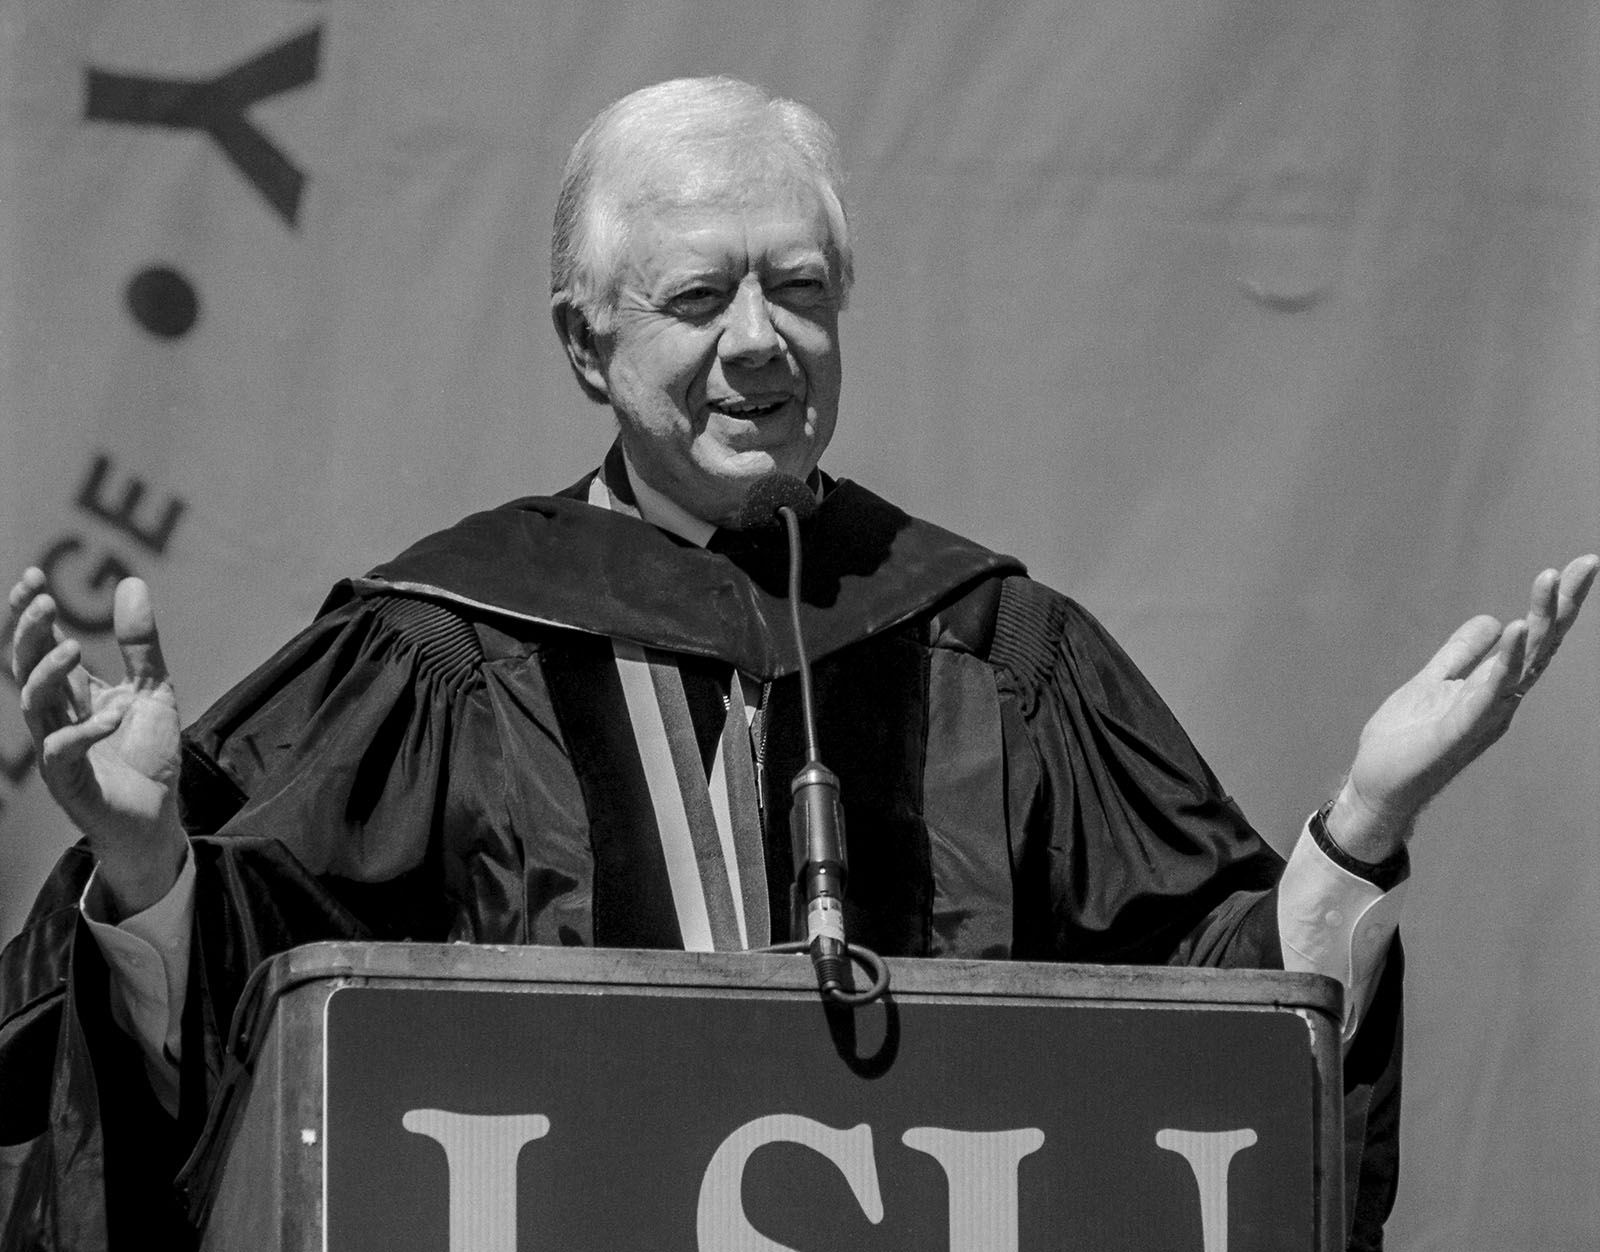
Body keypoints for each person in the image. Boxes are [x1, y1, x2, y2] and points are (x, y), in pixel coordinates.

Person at [1, 76, 1593, 1251]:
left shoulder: (995, 650)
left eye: (801, 289)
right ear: (585, 342)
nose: (760, 341)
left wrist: (1360, 828)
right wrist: (148, 871)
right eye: (699, 297)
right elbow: (227, 1081)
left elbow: (1219, 1057)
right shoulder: (440, 653)